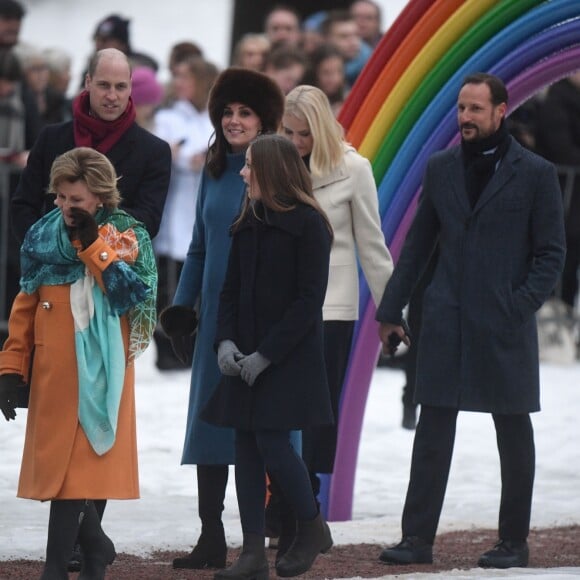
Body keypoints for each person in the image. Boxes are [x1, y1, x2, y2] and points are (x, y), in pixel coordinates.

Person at [375, 73, 566, 569]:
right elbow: (416, 247)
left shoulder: (536, 172)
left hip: (504, 323)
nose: (465, 118)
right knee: (432, 432)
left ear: (501, 111)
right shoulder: (440, 169)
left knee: (513, 432)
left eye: (476, 109)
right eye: (461, 108)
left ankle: (513, 542)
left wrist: (516, 305)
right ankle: (416, 539)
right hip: (445, 320)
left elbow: (551, 254)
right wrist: (389, 309)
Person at [0, 146, 157, 579]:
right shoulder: (40, 236)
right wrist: (11, 367)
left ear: (101, 198)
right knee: (65, 478)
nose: (69, 206)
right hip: (55, 374)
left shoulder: (128, 234)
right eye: (63, 197)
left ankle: (62, 567)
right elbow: (25, 305)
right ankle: (95, 548)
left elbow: (131, 295)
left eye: (79, 199)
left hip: (104, 372)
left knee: (82, 477)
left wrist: (93, 246)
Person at [158, 67, 284, 570]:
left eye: (244, 112)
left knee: (268, 433)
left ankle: (275, 533)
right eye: (227, 112)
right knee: (210, 427)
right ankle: (211, 535)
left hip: (261, 321)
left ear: (263, 120)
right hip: (215, 321)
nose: (234, 121)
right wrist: (184, 309)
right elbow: (198, 247)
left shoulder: (278, 171)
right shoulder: (213, 170)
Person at [203, 133, 334, 579]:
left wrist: (267, 355)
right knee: (245, 444)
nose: (242, 172)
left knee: (274, 443)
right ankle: (253, 553)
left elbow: (308, 301)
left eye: (250, 166)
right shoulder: (248, 220)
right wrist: (225, 342)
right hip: (245, 354)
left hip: (286, 356)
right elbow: (229, 291)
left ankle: (312, 525)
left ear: (273, 171)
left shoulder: (309, 224)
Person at [280, 84, 393, 531]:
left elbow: (372, 244)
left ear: (322, 130)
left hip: (332, 307)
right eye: (288, 132)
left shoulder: (354, 168)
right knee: (282, 409)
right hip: (283, 305)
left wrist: (390, 311)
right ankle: (289, 505)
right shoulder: (276, 164)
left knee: (316, 410)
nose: (294, 142)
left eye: (303, 134)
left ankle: (304, 504)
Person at [11, 48, 171, 244]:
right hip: (51, 266)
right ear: (88, 82)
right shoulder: (50, 139)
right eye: (104, 85)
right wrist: (47, 249)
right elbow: (23, 206)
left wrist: (89, 240)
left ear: (130, 87)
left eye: (120, 87)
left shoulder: (154, 151)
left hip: (115, 268)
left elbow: (148, 220)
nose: (112, 96)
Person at [152, 55, 217, 371]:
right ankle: (167, 347)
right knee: (172, 280)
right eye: (176, 77)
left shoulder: (213, 117)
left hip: (203, 205)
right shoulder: (168, 117)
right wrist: (187, 157)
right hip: (176, 206)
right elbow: (167, 153)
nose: (179, 84)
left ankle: (195, 345)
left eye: (186, 78)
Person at [535, 72, 580, 311]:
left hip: (571, 201)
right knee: (561, 264)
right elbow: (562, 150)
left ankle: (564, 316)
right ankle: (555, 319)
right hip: (564, 200)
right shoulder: (559, 101)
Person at [321, 10, 373, 89]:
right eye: (344, 36)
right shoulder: (311, 71)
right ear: (327, 39)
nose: (353, 42)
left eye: (356, 35)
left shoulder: (372, 69)